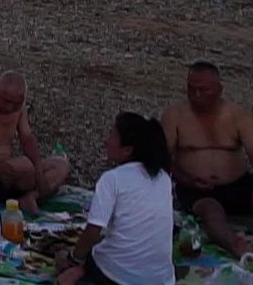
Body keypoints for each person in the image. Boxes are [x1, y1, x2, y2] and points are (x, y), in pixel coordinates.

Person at [162, 62, 253, 260]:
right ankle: (234, 244)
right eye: (192, 89)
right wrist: (187, 179)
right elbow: (163, 157)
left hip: (237, 184)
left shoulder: (237, 115)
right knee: (210, 209)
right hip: (196, 188)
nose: (197, 95)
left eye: (204, 90)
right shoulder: (175, 115)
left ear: (219, 89)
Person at [56, 113, 175, 285]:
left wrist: (74, 259)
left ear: (127, 150)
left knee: (63, 259)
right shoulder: (163, 177)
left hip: (118, 276)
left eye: (112, 134)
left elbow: (92, 232)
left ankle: (78, 273)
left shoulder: (113, 179)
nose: (106, 140)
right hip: (162, 279)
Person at [0, 71, 70, 214]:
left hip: (9, 171)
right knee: (25, 166)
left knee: (60, 165)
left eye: (16, 104)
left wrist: (38, 170)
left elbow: (27, 138)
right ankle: (28, 192)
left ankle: (30, 197)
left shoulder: (19, 108)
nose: (10, 108)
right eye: (6, 101)